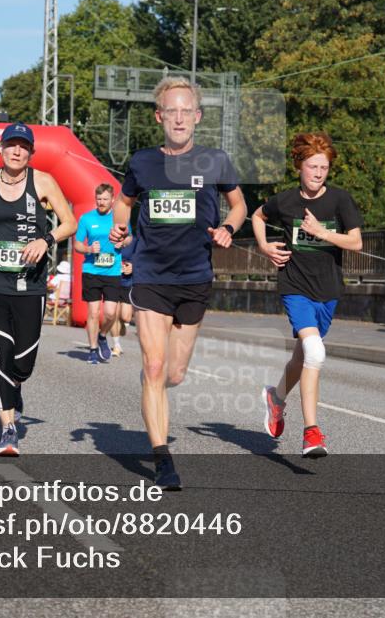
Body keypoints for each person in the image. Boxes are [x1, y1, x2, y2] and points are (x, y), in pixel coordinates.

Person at [109, 76, 246, 489]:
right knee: (154, 365)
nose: (180, 118)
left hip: (194, 276)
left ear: (198, 117)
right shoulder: (143, 162)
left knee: (175, 373)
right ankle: (162, 458)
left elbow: (238, 204)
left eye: (188, 111)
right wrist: (120, 229)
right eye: (173, 111)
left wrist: (227, 228)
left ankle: (156, 387)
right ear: (160, 116)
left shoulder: (215, 160)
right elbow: (124, 202)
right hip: (151, 274)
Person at [0, 122, 76, 456]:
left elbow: (70, 222)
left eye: (23, 146)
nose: (17, 151)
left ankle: (15, 386)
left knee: (23, 362)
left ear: (31, 152)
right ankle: (8, 429)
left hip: (31, 282)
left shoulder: (43, 181)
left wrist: (45, 239)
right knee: (2, 352)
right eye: (11, 144)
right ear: (1, 147)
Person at [252, 132, 363, 457]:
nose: (318, 173)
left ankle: (276, 399)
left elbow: (356, 242)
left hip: (327, 289)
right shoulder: (284, 201)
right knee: (315, 352)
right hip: (294, 285)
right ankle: (312, 432)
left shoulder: (340, 200)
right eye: (312, 166)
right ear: (299, 166)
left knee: (302, 357)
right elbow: (258, 216)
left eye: (324, 168)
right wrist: (264, 246)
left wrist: (323, 233)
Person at [74, 184, 131, 364]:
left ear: (112, 200)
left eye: (105, 199)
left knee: (110, 313)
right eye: (99, 199)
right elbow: (77, 245)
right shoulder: (86, 219)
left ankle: (102, 335)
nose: (101, 202)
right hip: (91, 270)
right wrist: (89, 248)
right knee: (93, 312)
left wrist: (123, 242)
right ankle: (92, 350)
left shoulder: (119, 218)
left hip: (112, 271)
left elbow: (129, 237)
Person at [110, 238, 137, 356]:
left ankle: (122, 322)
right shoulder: (108, 239)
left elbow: (145, 258)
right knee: (112, 314)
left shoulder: (135, 241)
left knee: (125, 317)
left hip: (128, 282)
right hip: (111, 281)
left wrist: (133, 266)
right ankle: (116, 345)